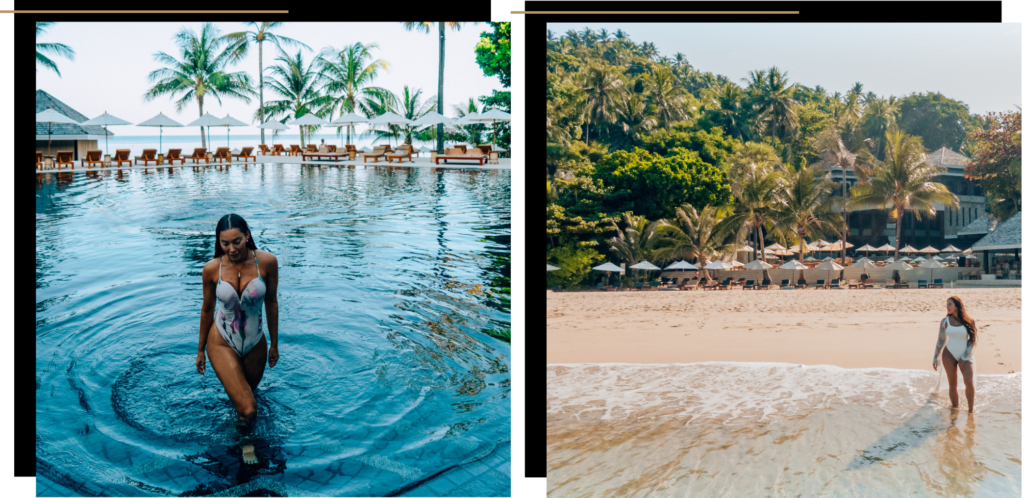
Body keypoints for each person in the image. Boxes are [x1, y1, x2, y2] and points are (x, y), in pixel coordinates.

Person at [197, 214, 280, 464]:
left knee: (247, 398)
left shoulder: (268, 262)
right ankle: (246, 445)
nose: (231, 248)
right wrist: (200, 350)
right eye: (224, 243)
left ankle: (240, 428)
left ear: (247, 236)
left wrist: (274, 343)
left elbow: (272, 302)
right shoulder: (212, 269)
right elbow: (206, 309)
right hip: (221, 340)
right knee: (248, 407)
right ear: (218, 242)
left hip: (255, 342)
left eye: (236, 241)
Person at [932, 296, 977, 413]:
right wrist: (935, 357)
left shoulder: (969, 321)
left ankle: (970, 412)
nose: (947, 307)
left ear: (957, 306)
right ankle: (955, 411)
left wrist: (964, 357)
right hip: (949, 355)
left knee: (969, 382)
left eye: (950, 304)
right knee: (953, 384)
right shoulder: (944, 322)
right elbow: (941, 340)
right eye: (947, 305)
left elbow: (972, 341)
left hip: (966, 355)